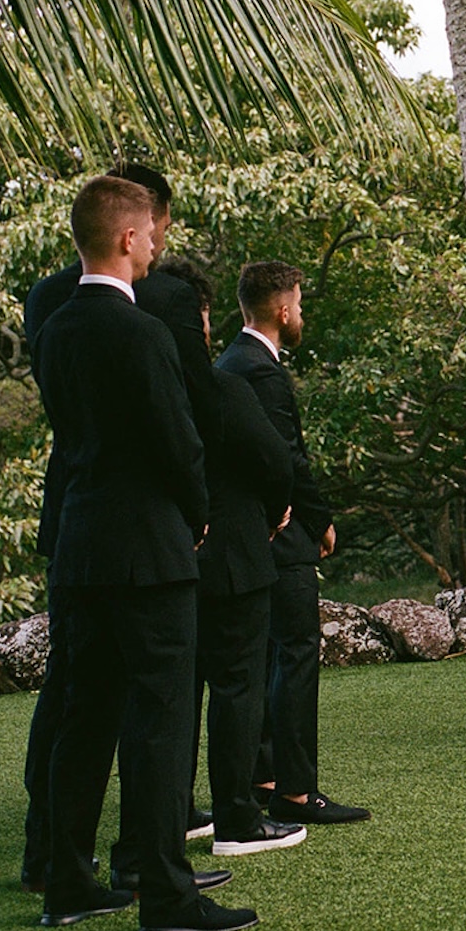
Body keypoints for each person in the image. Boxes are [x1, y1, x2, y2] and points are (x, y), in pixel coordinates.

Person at [32, 175, 255, 931]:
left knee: (83, 717)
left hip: (80, 547)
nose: (157, 242)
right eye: (150, 233)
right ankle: (166, 895)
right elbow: (177, 440)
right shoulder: (145, 332)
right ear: (127, 238)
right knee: (159, 722)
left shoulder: (54, 329)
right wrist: (196, 515)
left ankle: (67, 881)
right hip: (150, 552)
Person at [153, 260, 307, 859]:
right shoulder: (224, 388)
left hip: (172, 558)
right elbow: (276, 464)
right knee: (239, 687)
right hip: (237, 553)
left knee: (180, 691)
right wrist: (275, 513)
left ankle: (176, 812)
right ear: (202, 321)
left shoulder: (150, 391)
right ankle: (237, 818)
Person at [217, 262, 369, 824]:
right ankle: (297, 790)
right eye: (299, 305)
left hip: (249, 531)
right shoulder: (263, 371)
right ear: (282, 311)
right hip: (279, 536)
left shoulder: (230, 362)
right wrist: (318, 517)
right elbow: (287, 458)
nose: (300, 314)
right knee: (297, 654)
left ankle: (263, 774)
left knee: (261, 657)